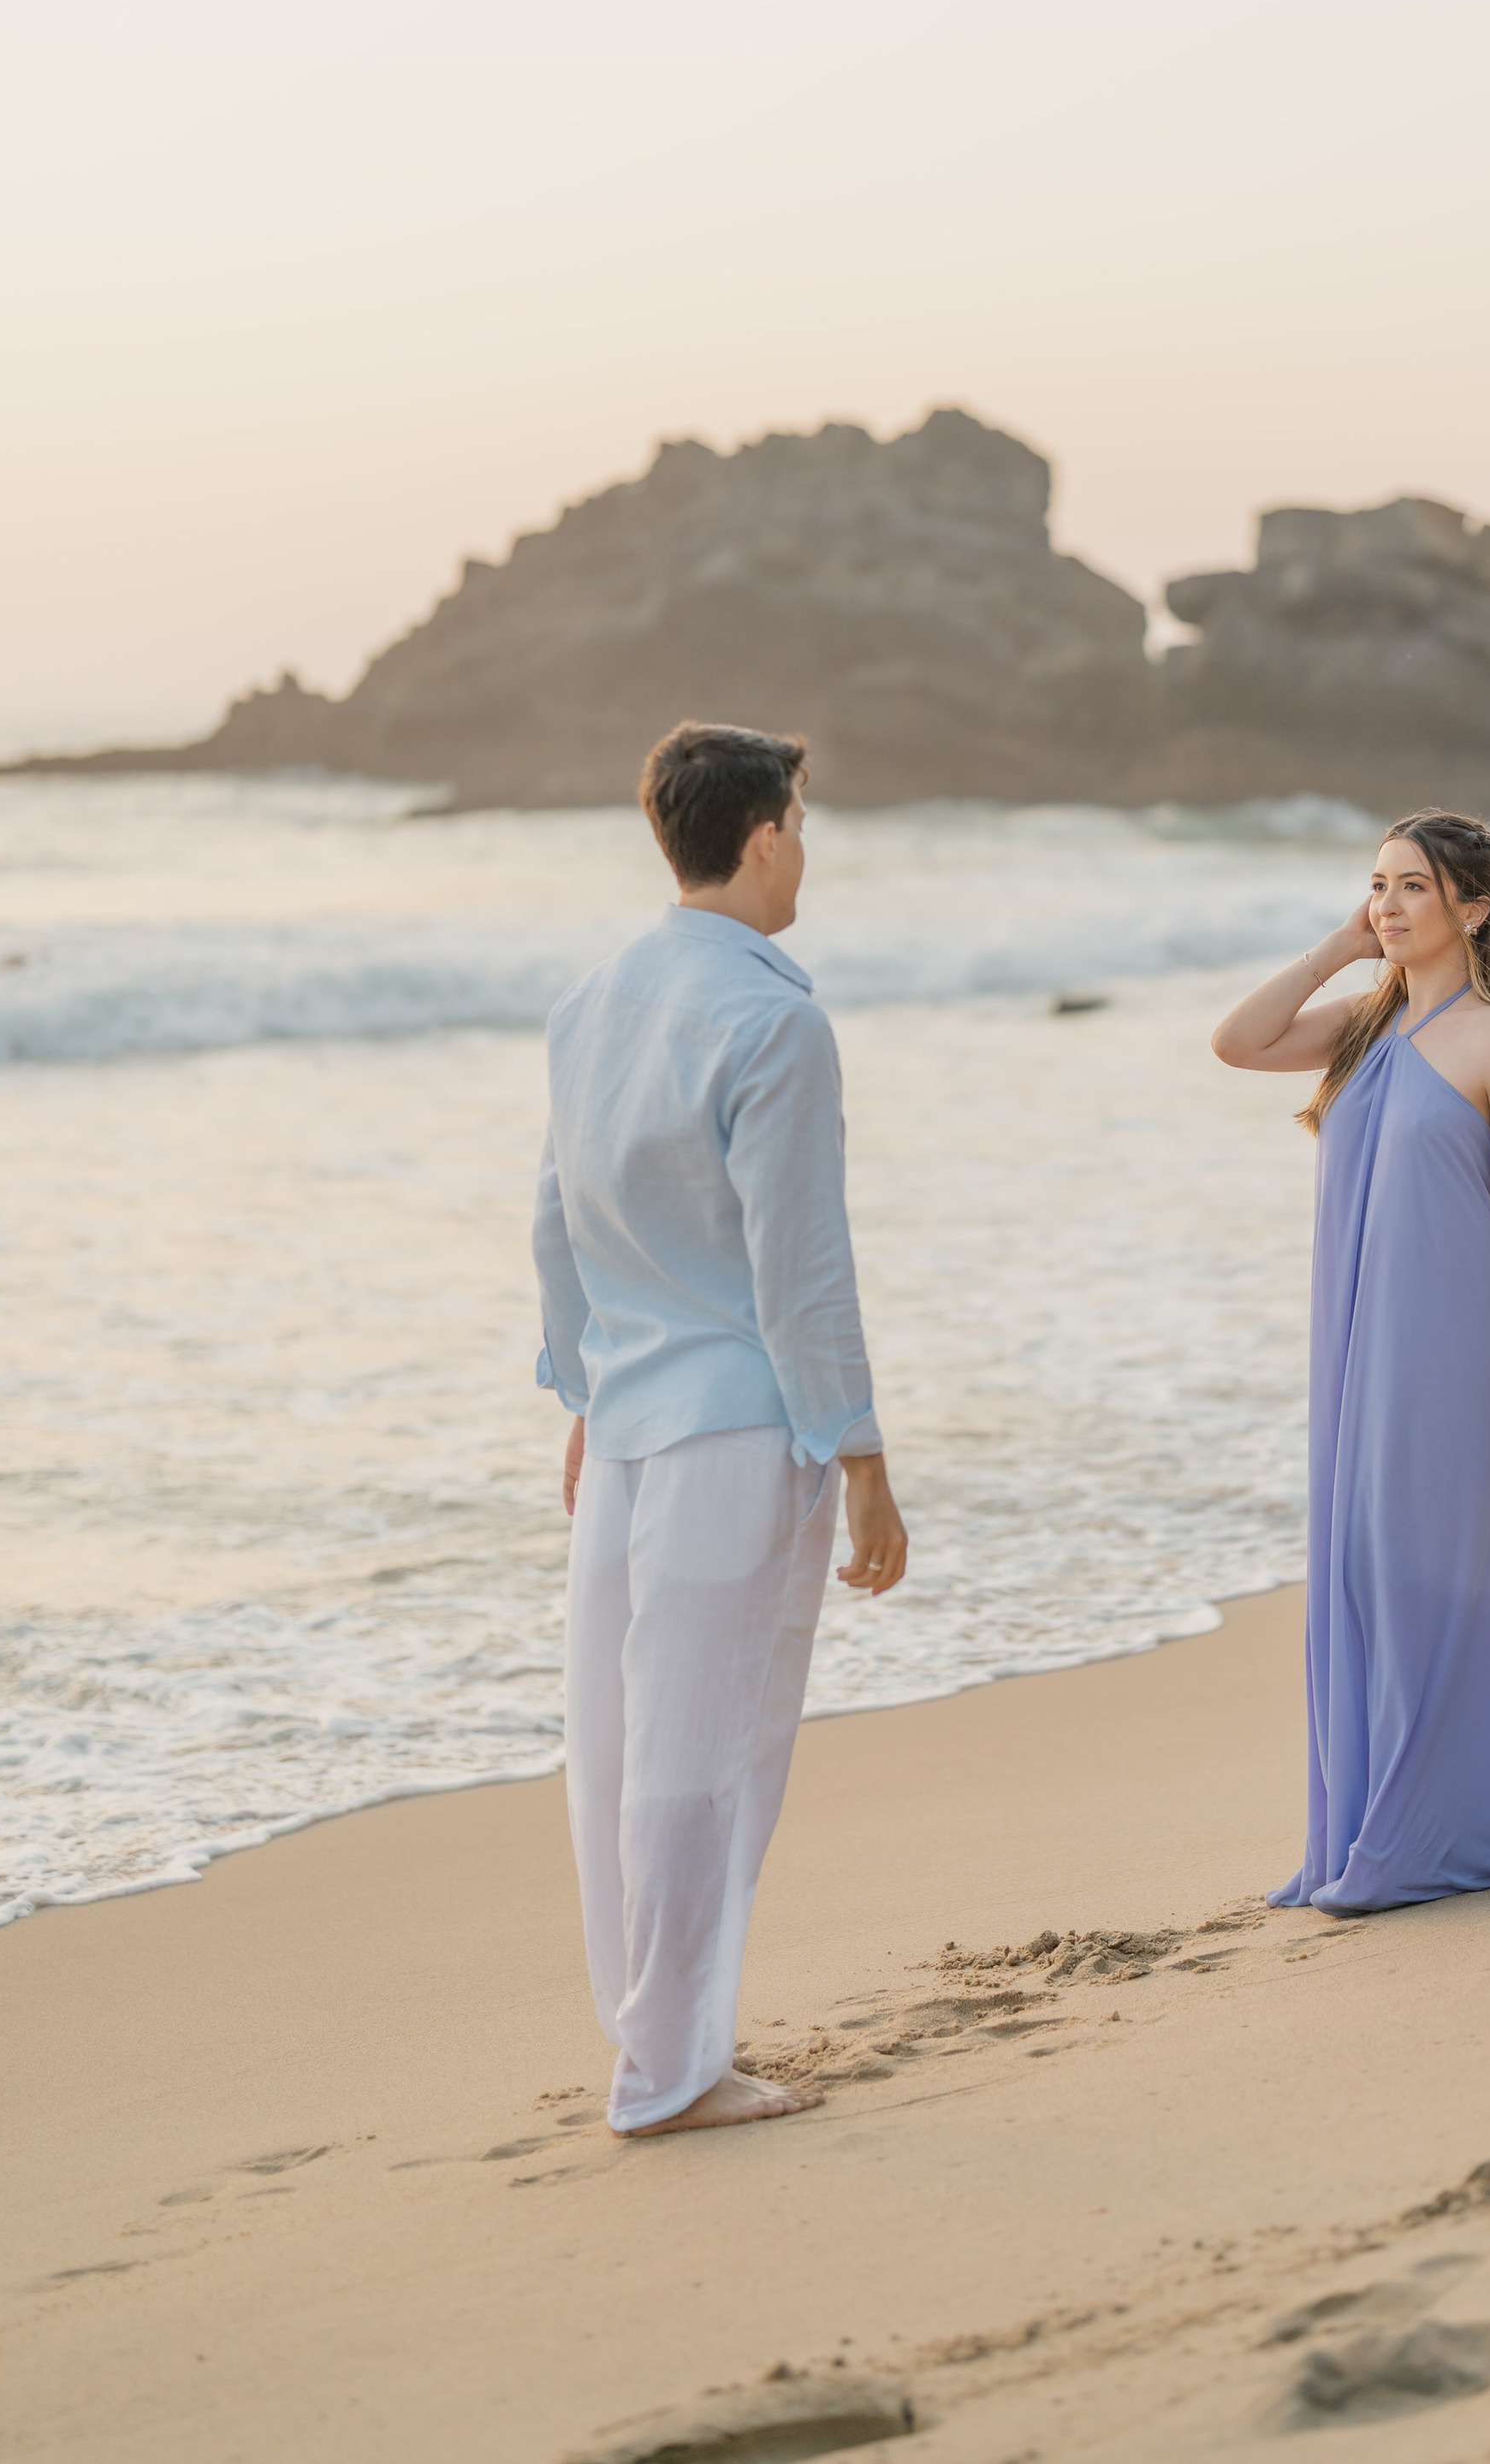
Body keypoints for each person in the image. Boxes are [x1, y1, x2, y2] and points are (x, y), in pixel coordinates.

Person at [533, 719, 909, 2135]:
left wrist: (582, 1391)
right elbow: (800, 1270)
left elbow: (554, 1220)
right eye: (801, 825)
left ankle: (653, 2041)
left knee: (619, 1756)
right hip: (738, 1431)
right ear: (761, 837)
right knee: (709, 1760)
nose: (804, 850)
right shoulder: (775, 1017)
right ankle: (673, 2069)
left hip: (629, 1427)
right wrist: (863, 1459)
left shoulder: (592, 1002)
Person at [1210, 807, 1490, 1916]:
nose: (1388, 903)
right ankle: (1390, 1819)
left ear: (1474, 907)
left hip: (1450, 1345)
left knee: (1422, 1563)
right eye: (1377, 884)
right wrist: (1340, 946)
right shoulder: (1358, 1027)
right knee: (1361, 1564)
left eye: (1414, 888)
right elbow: (1236, 1039)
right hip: (1353, 1342)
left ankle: (1431, 1823)